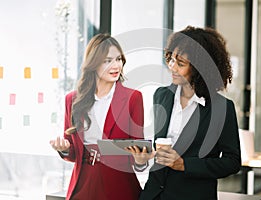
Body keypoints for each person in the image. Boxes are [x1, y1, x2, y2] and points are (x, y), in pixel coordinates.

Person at [134, 26, 241, 200]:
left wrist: (185, 165)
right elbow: (159, 148)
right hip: (154, 194)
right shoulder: (161, 95)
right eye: (171, 59)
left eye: (180, 63)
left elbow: (232, 162)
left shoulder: (222, 108)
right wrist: (142, 160)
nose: (172, 67)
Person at [49, 33, 146, 200]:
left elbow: (137, 150)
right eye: (108, 61)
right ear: (93, 64)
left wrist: (140, 160)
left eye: (119, 59)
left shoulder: (133, 98)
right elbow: (73, 154)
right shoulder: (72, 100)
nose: (116, 66)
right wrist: (64, 149)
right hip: (82, 184)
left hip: (118, 185)